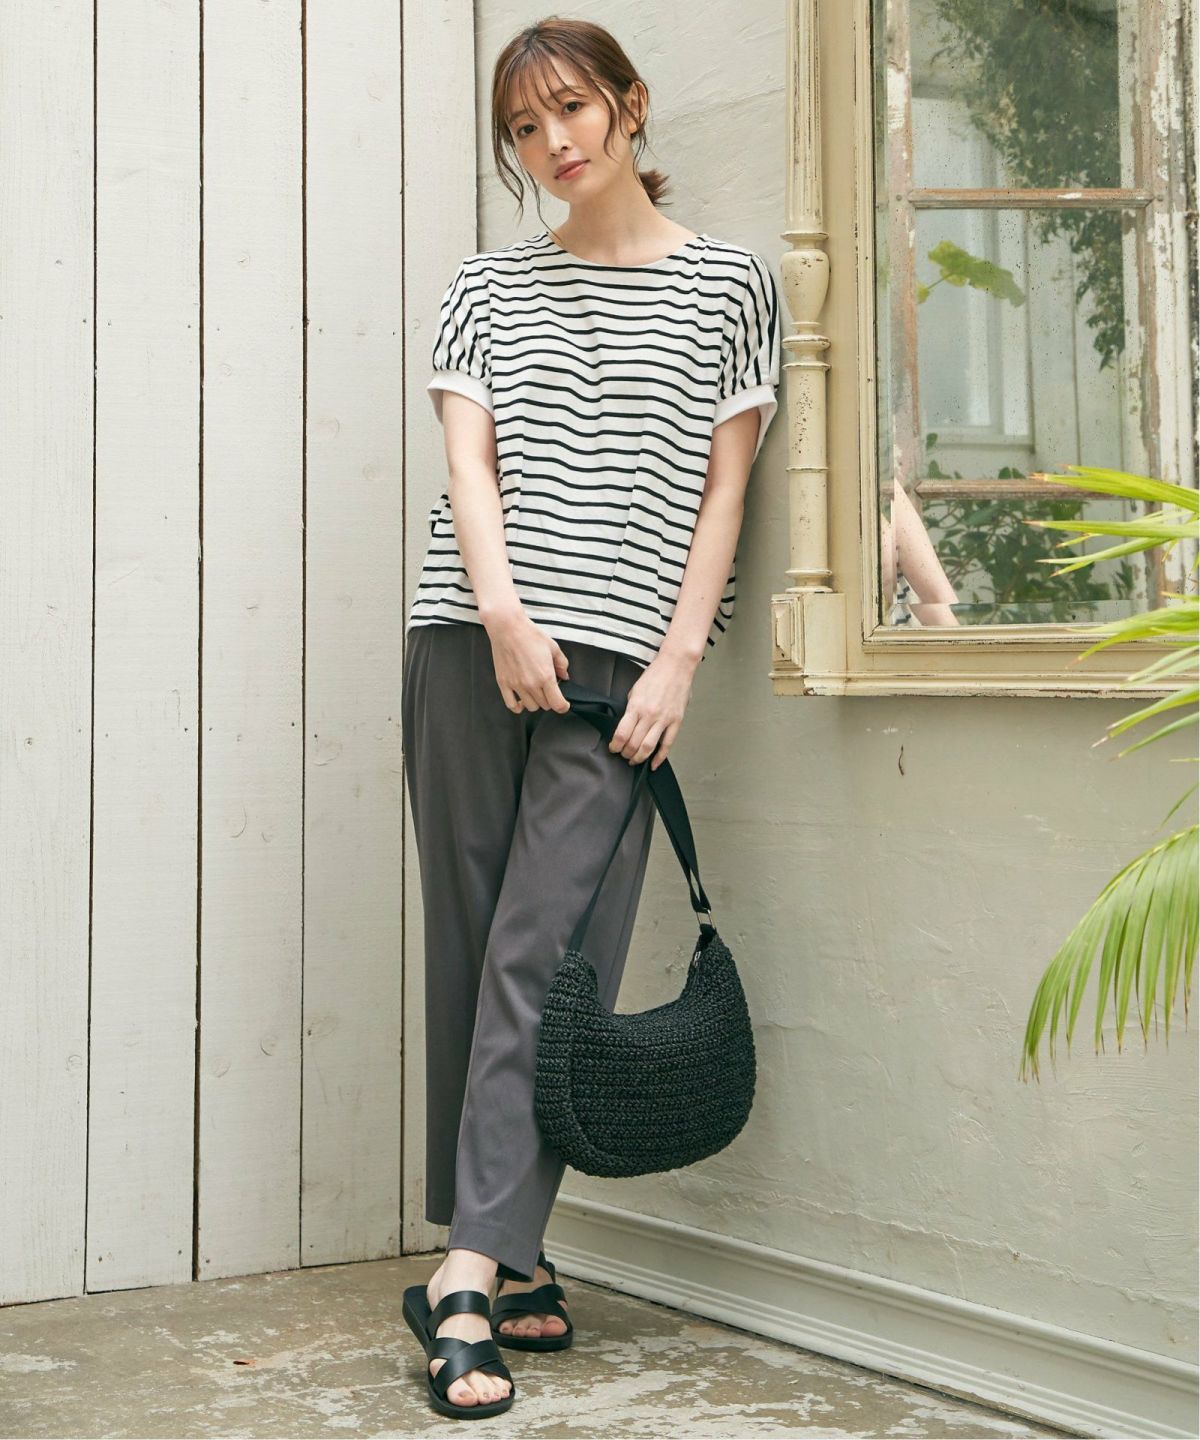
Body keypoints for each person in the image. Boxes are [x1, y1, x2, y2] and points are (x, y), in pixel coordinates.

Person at [400, 15, 780, 1418]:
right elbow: (471, 466)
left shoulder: (730, 284)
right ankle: (514, 1255)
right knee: (473, 947)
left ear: (630, 104)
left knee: (545, 958)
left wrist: (678, 665)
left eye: (570, 109)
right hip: (470, 641)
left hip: (619, 668)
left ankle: (462, 1277)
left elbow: (725, 494)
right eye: (523, 126)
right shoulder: (487, 285)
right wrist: (502, 613)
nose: (551, 142)